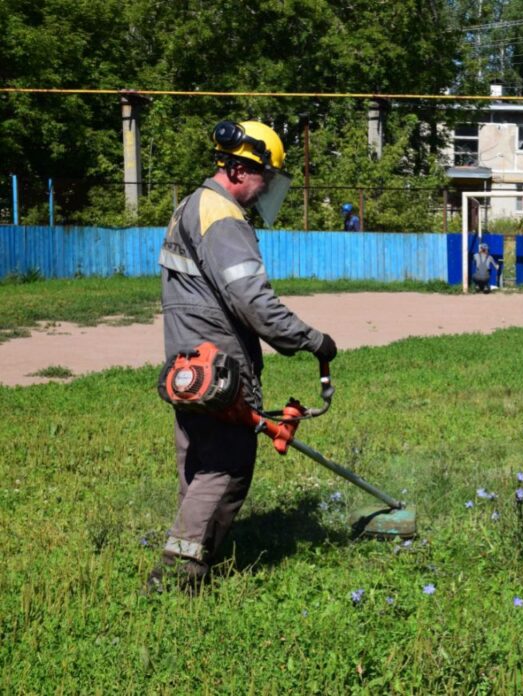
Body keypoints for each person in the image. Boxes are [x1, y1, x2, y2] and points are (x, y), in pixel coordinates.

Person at [150, 120, 338, 592]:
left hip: (187, 362)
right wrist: (312, 340)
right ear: (238, 169)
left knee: (198, 465)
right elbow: (254, 302)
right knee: (227, 467)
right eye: (264, 179)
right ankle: (177, 576)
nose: (265, 190)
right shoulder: (223, 218)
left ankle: (191, 552)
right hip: (219, 364)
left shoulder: (189, 206)